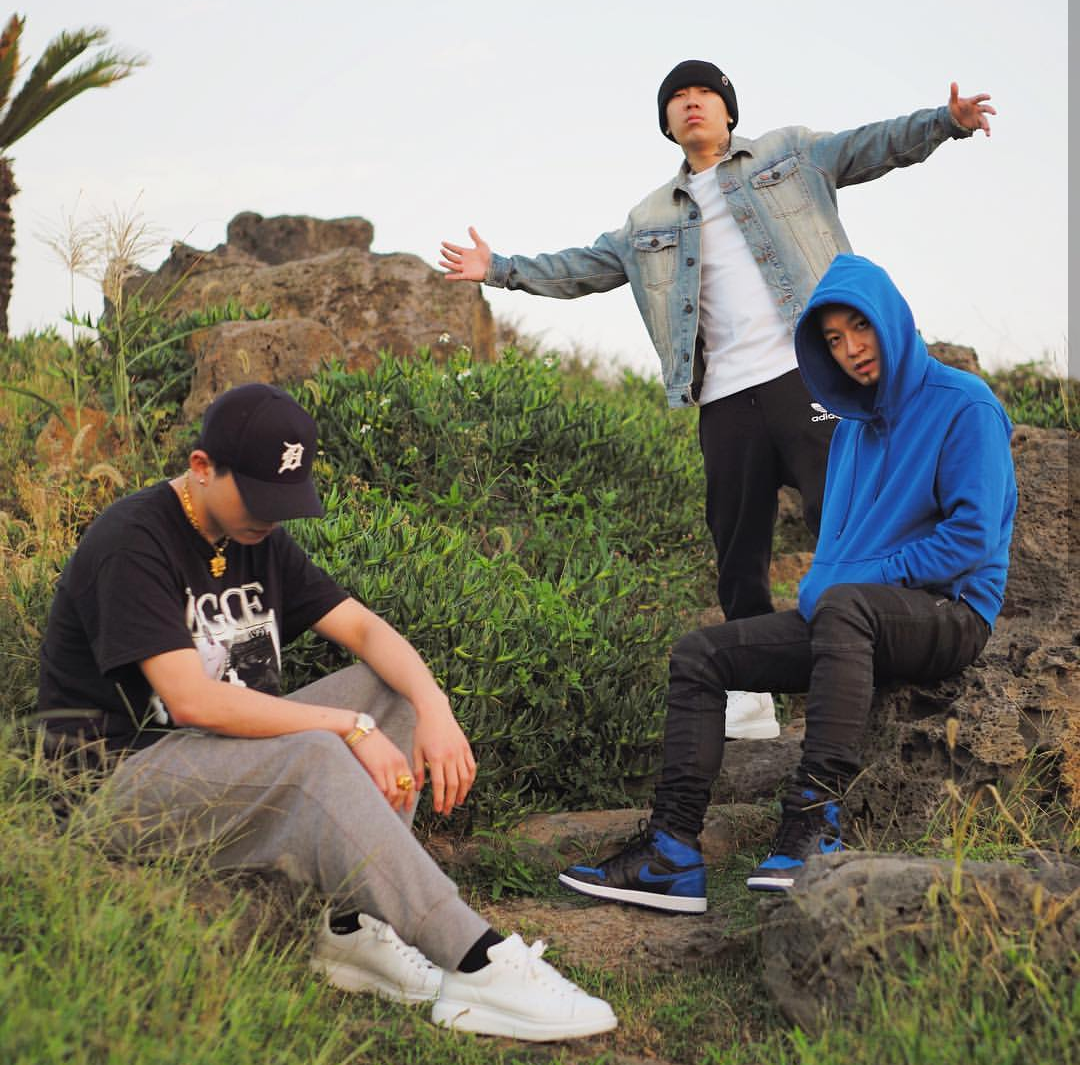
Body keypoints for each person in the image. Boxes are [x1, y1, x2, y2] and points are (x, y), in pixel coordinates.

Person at [34, 383, 617, 1042]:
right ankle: (477, 960)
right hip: (117, 785)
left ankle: (351, 928)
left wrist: (435, 706)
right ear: (202, 467)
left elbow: (364, 630)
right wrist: (347, 727)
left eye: (282, 501)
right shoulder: (132, 539)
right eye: (258, 498)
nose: (270, 517)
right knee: (318, 749)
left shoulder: (254, 534)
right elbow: (191, 699)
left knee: (391, 690)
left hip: (214, 759)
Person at [440, 61, 995, 742]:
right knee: (737, 546)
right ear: (667, 124)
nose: (691, 103)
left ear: (729, 110)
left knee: (844, 515)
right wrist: (500, 269)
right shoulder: (649, 218)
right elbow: (586, 265)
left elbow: (869, 146)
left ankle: (885, 645)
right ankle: (753, 698)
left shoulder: (790, 154)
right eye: (676, 98)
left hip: (807, 374)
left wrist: (945, 123)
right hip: (725, 397)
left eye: (704, 92)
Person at [556, 253, 1016, 909]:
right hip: (854, 617)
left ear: (890, 319)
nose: (851, 349)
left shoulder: (965, 404)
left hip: (951, 612)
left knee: (845, 606)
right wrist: (825, 586)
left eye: (860, 327)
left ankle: (812, 824)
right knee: (701, 653)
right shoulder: (850, 430)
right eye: (833, 339)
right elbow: (837, 546)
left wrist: (853, 583)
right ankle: (671, 851)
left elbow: (972, 540)